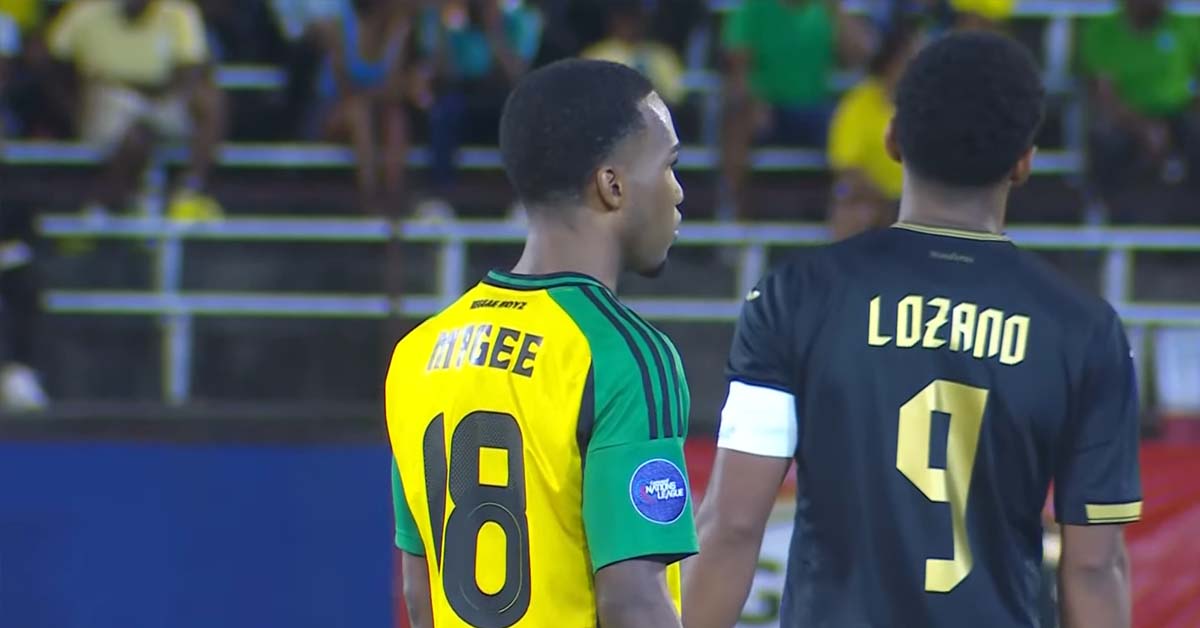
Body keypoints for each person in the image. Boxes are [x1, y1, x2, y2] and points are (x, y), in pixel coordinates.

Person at [683, 32, 1141, 628]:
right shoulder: (1085, 331)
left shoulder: (794, 297)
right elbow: (1095, 566)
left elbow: (733, 526)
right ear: (1025, 161)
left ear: (893, 139)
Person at [385, 59, 694, 627]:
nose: (678, 192)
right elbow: (634, 601)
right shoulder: (625, 355)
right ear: (612, 185)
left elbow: (419, 591)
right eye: (670, 165)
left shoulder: (417, 354)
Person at [46, 0, 225, 222]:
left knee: (209, 98)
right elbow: (50, 58)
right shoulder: (86, 9)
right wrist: (72, 107)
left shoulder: (178, 11)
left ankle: (188, 190)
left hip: (161, 94)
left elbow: (192, 66)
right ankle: (104, 202)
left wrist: (167, 91)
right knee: (137, 137)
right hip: (108, 95)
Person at [1079, 0, 1200, 221]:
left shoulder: (1187, 26)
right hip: (1125, 116)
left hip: (1179, 113)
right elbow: (1103, 93)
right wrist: (1144, 128)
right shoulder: (1102, 30)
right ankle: (1108, 215)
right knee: (1106, 137)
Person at [826, 18, 922, 240]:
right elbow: (847, 166)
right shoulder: (858, 103)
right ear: (891, 62)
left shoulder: (933, 105)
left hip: (923, 202)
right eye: (909, 60)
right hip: (875, 197)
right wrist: (883, 198)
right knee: (850, 200)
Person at [313, 0, 413, 214]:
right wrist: (380, 93)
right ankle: (369, 196)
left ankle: (394, 197)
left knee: (396, 117)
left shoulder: (399, 30)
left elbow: (394, 87)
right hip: (333, 112)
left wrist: (379, 93)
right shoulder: (340, 26)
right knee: (359, 112)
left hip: (377, 111)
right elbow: (344, 87)